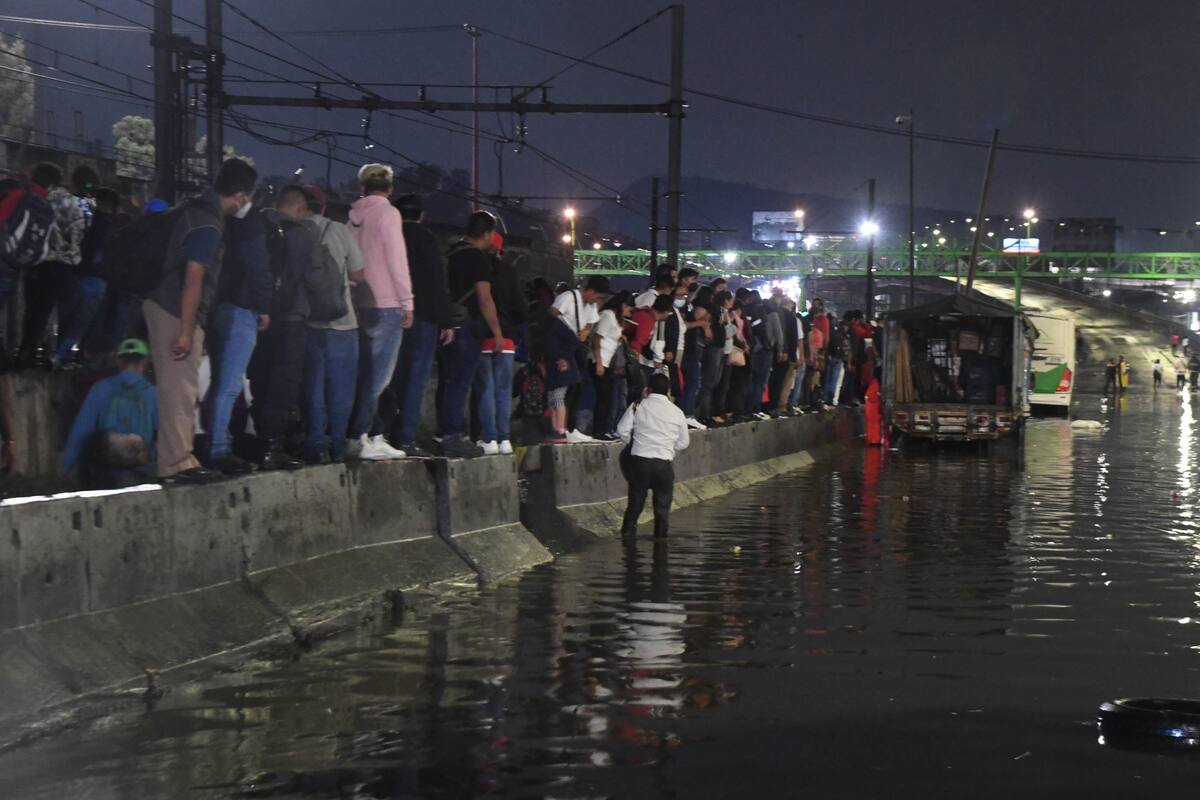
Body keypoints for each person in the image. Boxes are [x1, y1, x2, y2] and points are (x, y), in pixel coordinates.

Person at [146, 157, 256, 483]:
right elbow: (193, 279)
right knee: (180, 388)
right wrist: (185, 330)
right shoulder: (208, 222)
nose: (246, 203)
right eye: (247, 197)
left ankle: (182, 459)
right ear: (240, 195)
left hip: (165, 304)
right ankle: (176, 464)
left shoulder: (195, 209)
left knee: (180, 387)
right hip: (175, 309)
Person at [247, 186, 319, 470]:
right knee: (285, 382)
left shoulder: (256, 227)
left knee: (260, 378)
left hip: (258, 318)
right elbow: (315, 280)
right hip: (292, 318)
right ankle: (273, 446)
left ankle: (256, 443)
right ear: (300, 209)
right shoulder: (303, 235)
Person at [205, 190, 275, 476]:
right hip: (242, 307)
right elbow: (258, 268)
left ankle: (214, 442)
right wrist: (264, 306)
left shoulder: (221, 223)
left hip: (219, 305)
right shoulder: (253, 226)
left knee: (220, 381)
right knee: (230, 384)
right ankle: (219, 448)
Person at [347, 163, 412, 461]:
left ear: (361, 186)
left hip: (359, 302)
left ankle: (372, 434)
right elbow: (397, 260)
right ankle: (361, 436)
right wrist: (407, 302)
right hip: (386, 303)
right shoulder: (388, 213)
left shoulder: (352, 216)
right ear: (390, 188)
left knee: (362, 374)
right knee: (378, 377)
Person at [301, 185, 364, 464]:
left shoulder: (294, 230)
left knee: (313, 387)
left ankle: (316, 444)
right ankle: (337, 446)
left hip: (308, 322)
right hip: (342, 321)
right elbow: (358, 274)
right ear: (323, 207)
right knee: (340, 391)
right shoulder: (339, 230)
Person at [391, 193, 451, 458]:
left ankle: (380, 432)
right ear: (421, 215)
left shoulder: (390, 235)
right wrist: (446, 321)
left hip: (389, 313)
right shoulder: (426, 239)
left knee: (389, 376)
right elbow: (437, 280)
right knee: (416, 378)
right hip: (424, 316)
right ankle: (406, 438)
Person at [441, 210, 503, 458]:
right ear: (487, 233)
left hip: (447, 324)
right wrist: (497, 333)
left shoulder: (450, 254)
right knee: (461, 383)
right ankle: (453, 436)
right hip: (467, 326)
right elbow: (485, 299)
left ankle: (447, 432)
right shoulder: (477, 259)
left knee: (449, 382)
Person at [63, 339, 158, 488]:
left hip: (104, 465)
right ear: (145, 362)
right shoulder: (152, 393)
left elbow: (82, 427)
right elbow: (162, 432)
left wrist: (69, 464)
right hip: (138, 468)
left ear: (118, 360)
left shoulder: (102, 388)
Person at [19, 162, 87, 368]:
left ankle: (27, 353)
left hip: (40, 263)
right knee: (57, 313)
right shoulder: (74, 203)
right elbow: (81, 233)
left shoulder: (38, 200)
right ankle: (53, 356)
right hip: (65, 267)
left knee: (34, 312)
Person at [55, 187, 124, 366]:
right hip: (96, 279)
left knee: (70, 320)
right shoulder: (111, 226)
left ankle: (60, 356)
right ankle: (67, 358)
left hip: (75, 275)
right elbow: (103, 257)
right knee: (84, 323)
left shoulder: (84, 220)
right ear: (114, 206)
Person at [617, 372, 690, 539]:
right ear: (668, 391)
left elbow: (621, 430)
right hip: (664, 466)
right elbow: (684, 443)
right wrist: (668, 446)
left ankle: (627, 543)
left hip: (640, 464)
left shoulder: (637, 405)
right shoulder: (677, 412)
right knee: (662, 511)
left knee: (634, 506)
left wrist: (633, 442)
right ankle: (661, 546)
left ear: (648, 389)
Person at [473, 232, 526, 455]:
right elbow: (521, 307)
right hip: (507, 339)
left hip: (483, 335)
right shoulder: (509, 272)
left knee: (486, 389)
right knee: (503, 391)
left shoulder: (477, 269)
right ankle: (504, 440)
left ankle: (489, 438)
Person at [549, 275, 609, 442]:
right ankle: (563, 428)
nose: (598, 301)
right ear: (589, 290)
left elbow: (590, 323)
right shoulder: (568, 298)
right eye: (598, 296)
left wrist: (586, 331)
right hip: (562, 348)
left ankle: (570, 427)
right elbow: (552, 316)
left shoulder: (590, 305)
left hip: (575, 347)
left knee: (576, 386)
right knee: (562, 390)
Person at [592, 292, 634, 440]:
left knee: (607, 398)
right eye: (629, 309)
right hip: (600, 361)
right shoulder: (608, 315)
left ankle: (603, 429)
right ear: (623, 305)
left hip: (607, 362)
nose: (629, 312)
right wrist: (598, 362)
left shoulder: (614, 318)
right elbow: (597, 338)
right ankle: (599, 431)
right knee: (604, 398)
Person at [679, 285, 714, 428]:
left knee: (693, 383)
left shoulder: (694, 308)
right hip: (692, 349)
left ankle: (688, 412)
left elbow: (708, 334)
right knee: (691, 382)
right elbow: (689, 327)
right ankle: (686, 414)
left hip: (695, 349)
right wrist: (702, 324)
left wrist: (705, 327)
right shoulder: (698, 309)